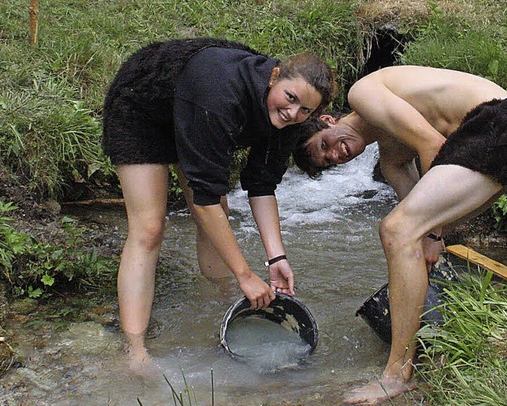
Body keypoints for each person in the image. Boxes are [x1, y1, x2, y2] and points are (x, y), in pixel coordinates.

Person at [293, 66, 507, 405]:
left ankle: (396, 376)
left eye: (325, 144)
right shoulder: (390, 154)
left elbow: (433, 144)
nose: (335, 154)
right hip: (506, 132)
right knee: (404, 233)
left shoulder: (362, 92)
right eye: (328, 161)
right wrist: (427, 240)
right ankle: (424, 340)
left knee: (395, 229)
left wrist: (432, 235)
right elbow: (413, 198)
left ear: (328, 120)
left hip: (497, 123)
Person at [102, 37, 336, 376]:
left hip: (192, 112)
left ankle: (220, 299)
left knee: (218, 215)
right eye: (290, 98)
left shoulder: (293, 120)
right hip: (143, 109)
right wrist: (246, 275)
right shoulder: (220, 96)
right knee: (150, 228)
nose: (292, 112)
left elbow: (261, 185)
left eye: (305, 110)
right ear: (274, 76)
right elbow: (204, 198)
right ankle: (135, 350)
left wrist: (277, 258)